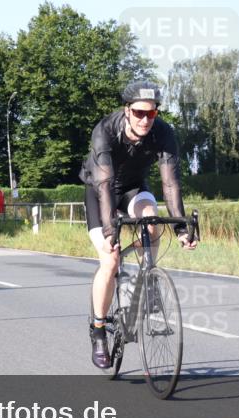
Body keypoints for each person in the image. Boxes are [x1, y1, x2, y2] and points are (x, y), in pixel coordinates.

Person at [79, 80, 199, 369]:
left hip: (134, 188)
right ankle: (98, 331)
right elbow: (106, 183)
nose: (145, 119)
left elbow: (170, 183)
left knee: (152, 222)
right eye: (139, 113)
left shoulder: (164, 133)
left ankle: (149, 277)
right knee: (109, 259)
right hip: (100, 191)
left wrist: (182, 229)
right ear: (127, 110)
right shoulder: (105, 131)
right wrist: (110, 231)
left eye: (152, 114)